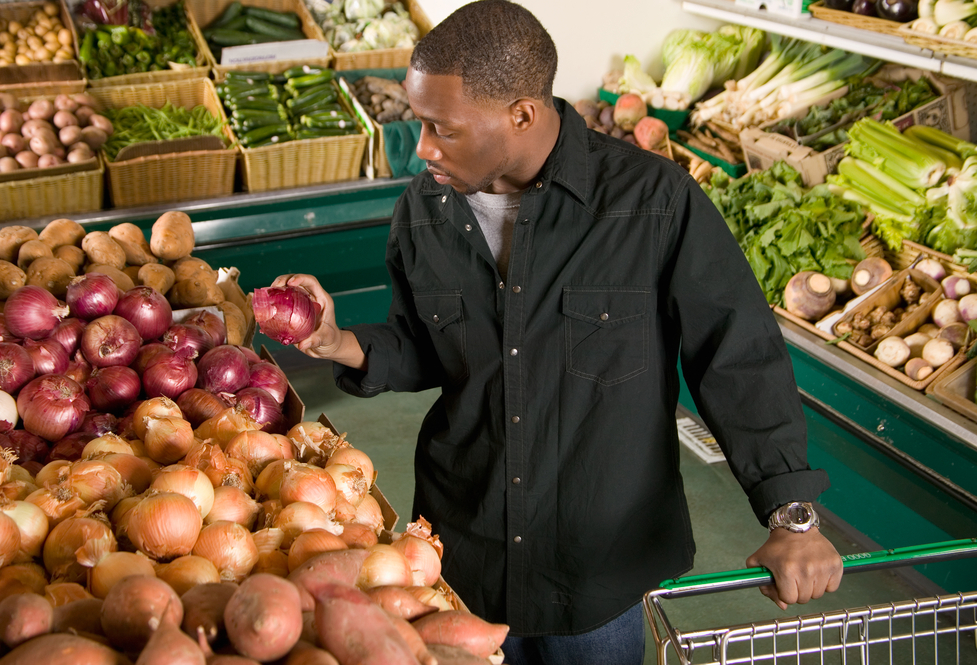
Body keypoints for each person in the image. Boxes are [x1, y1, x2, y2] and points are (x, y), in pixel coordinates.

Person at [273, 1, 844, 662]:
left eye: (441, 128)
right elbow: (426, 347)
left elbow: (738, 354)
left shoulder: (650, 202)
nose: (422, 148)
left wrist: (791, 514)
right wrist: (338, 340)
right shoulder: (425, 208)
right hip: (461, 554)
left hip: (594, 567)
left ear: (521, 113)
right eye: (418, 123)